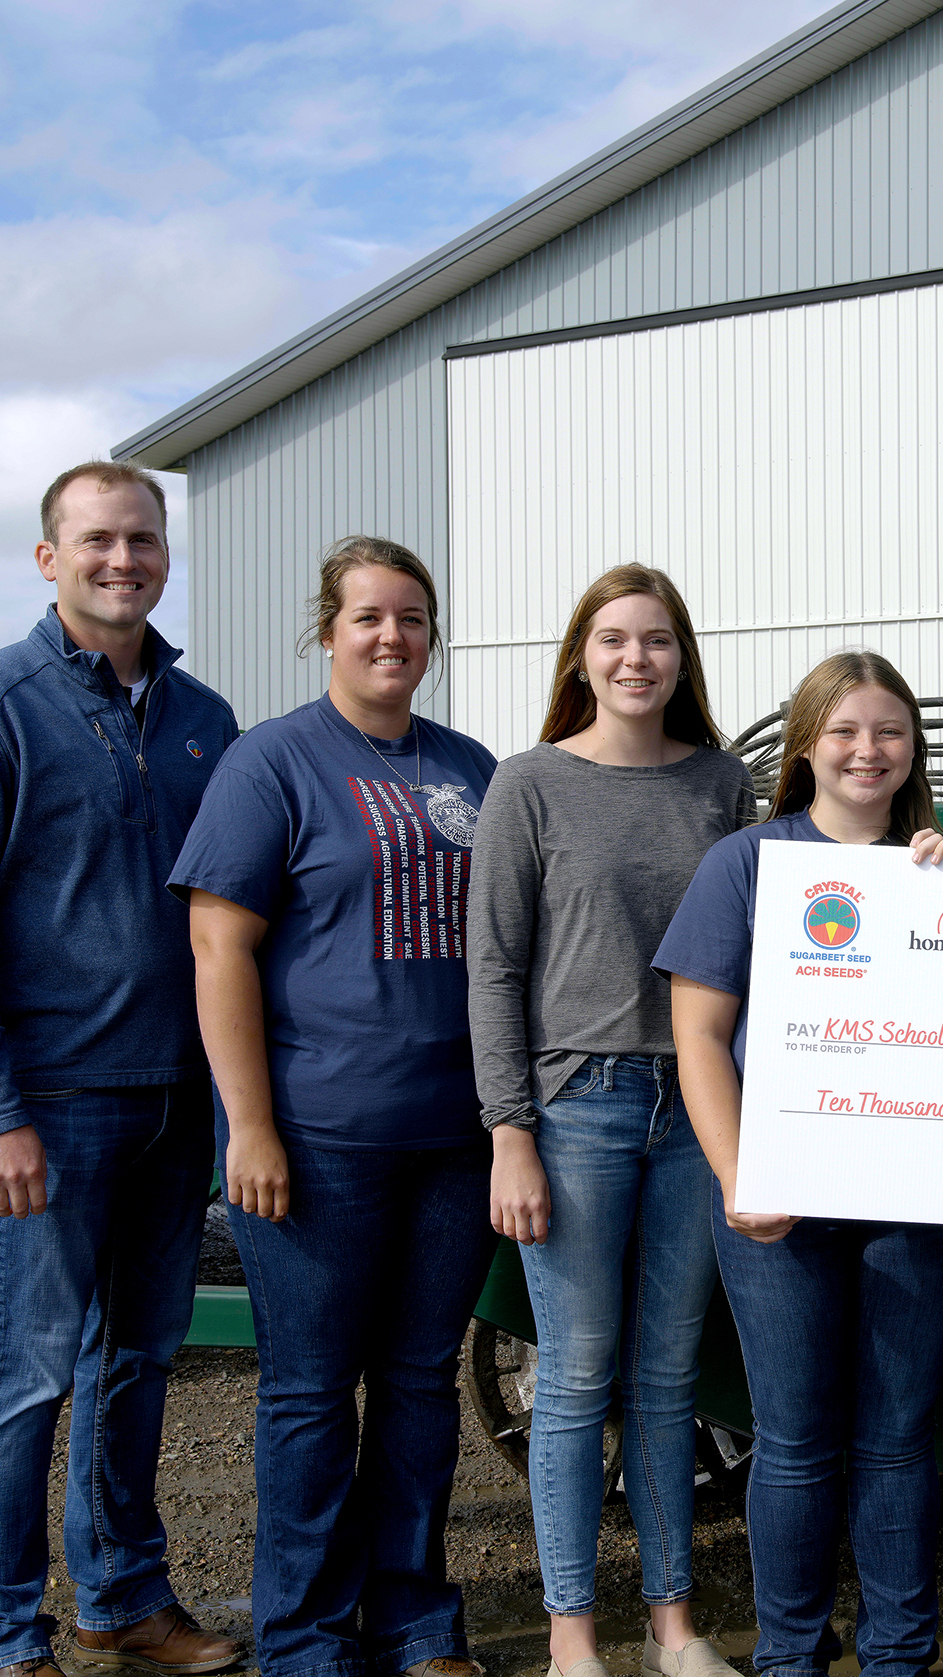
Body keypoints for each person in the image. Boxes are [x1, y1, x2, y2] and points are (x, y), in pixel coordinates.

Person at [171, 537, 498, 1677]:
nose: (391, 636)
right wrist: (247, 1125)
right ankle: (304, 1633)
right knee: (311, 1394)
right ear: (328, 631)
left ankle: (412, 1616)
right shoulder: (273, 763)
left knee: (418, 1385)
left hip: (452, 1140)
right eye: (367, 616)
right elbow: (219, 946)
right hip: (314, 1139)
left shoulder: (472, 769)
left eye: (411, 617)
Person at [655, 650, 943, 1677]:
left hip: (913, 1195)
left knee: (895, 1440)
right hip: (776, 1202)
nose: (867, 750)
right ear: (804, 749)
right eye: (844, 731)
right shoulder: (749, 864)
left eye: (888, 730)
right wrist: (742, 1174)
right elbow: (698, 1036)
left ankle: (898, 1654)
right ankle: (789, 1654)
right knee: (792, 1443)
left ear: (914, 747)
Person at [470, 566, 753, 1677]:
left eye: (658, 641)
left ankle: (675, 1627)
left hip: (695, 1106)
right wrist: (508, 1130)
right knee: (579, 1373)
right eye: (614, 640)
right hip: (575, 1106)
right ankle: (572, 1637)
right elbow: (493, 969)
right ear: (580, 658)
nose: (636, 659)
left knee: (673, 1376)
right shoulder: (527, 785)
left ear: (684, 659)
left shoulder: (724, 787)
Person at [0, 464, 241, 1677]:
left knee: (137, 1361)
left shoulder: (206, 717)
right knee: (27, 1371)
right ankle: (5, 1626)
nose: (122, 559)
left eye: (141, 539)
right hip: (51, 1101)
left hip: (176, 1102)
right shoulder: (6, 700)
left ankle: (122, 1600)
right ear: (48, 557)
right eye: (95, 540)